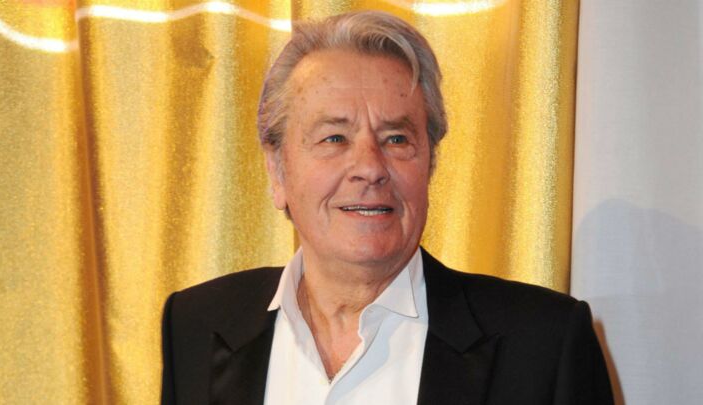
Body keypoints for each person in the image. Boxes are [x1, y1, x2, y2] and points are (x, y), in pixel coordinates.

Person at [161, 11, 613, 405]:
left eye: (396, 139)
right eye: (334, 138)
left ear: (430, 164)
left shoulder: (544, 345)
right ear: (277, 171)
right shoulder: (197, 326)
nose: (370, 168)